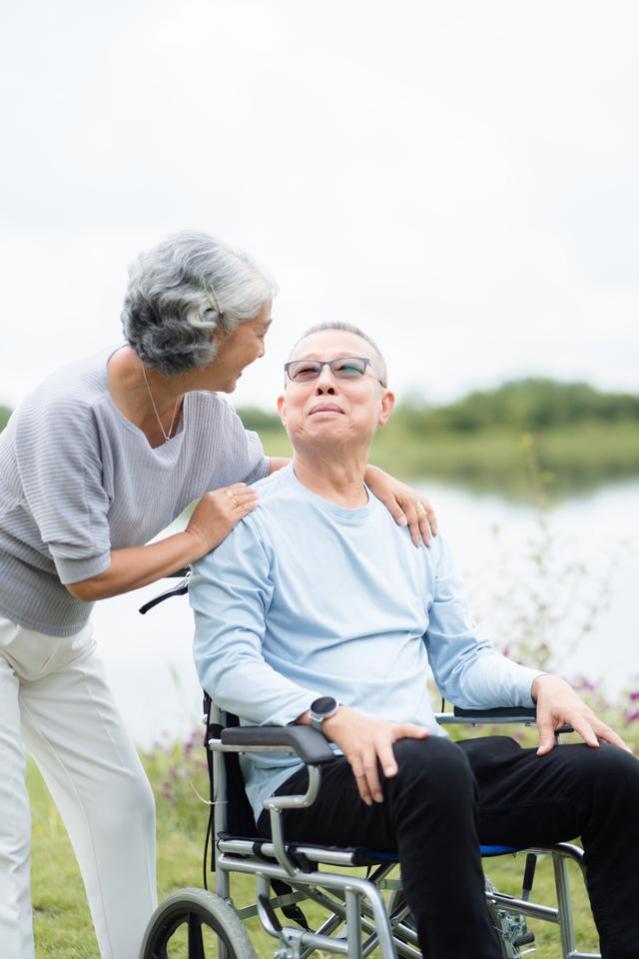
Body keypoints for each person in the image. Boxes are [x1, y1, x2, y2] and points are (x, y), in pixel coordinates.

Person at [0, 236, 434, 959]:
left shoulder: (201, 410)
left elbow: (263, 476)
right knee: (5, 837)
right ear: (206, 332)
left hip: (55, 638)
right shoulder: (67, 414)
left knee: (121, 809)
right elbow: (88, 574)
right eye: (257, 330)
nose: (263, 349)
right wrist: (196, 537)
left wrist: (374, 477)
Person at [191, 321, 639, 959]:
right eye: (304, 372)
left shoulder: (412, 524)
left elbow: (461, 662)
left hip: (425, 773)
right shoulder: (246, 521)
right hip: (312, 778)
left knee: (610, 773)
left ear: (384, 404)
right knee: (434, 762)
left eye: (348, 370)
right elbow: (224, 665)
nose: (325, 381)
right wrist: (335, 717)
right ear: (284, 405)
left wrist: (542, 683)